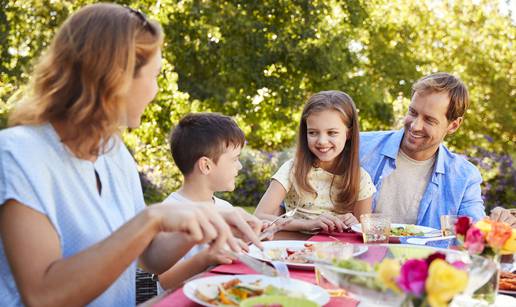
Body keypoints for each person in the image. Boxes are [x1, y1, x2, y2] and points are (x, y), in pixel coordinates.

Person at [0, 4, 263, 306]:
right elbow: (44, 295)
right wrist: (152, 218)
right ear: (116, 77)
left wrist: (205, 222)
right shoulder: (18, 154)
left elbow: (150, 257)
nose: (155, 91)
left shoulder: (114, 153)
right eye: (154, 76)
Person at [359, 72, 516, 229]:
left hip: (426, 254)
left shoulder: (464, 177)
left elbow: (475, 231)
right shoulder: (360, 147)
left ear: (453, 125)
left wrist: (497, 221)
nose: (415, 126)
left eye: (429, 120)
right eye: (413, 112)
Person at [156, 112, 255, 291]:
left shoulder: (225, 208)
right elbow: (166, 280)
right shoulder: (169, 213)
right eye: (235, 159)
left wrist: (250, 240)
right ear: (206, 165)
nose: (239, 166)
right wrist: (206, 258)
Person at [255, 90, 376, 233]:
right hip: (296, 250)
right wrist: (307, 224)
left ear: (348, 133)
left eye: (332, 133)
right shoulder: (292, 169)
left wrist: (356, 224)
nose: (322, 141)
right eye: (313, 132)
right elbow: (259, 217)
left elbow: (365, 232)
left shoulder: (361, 178)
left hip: (337, 252)